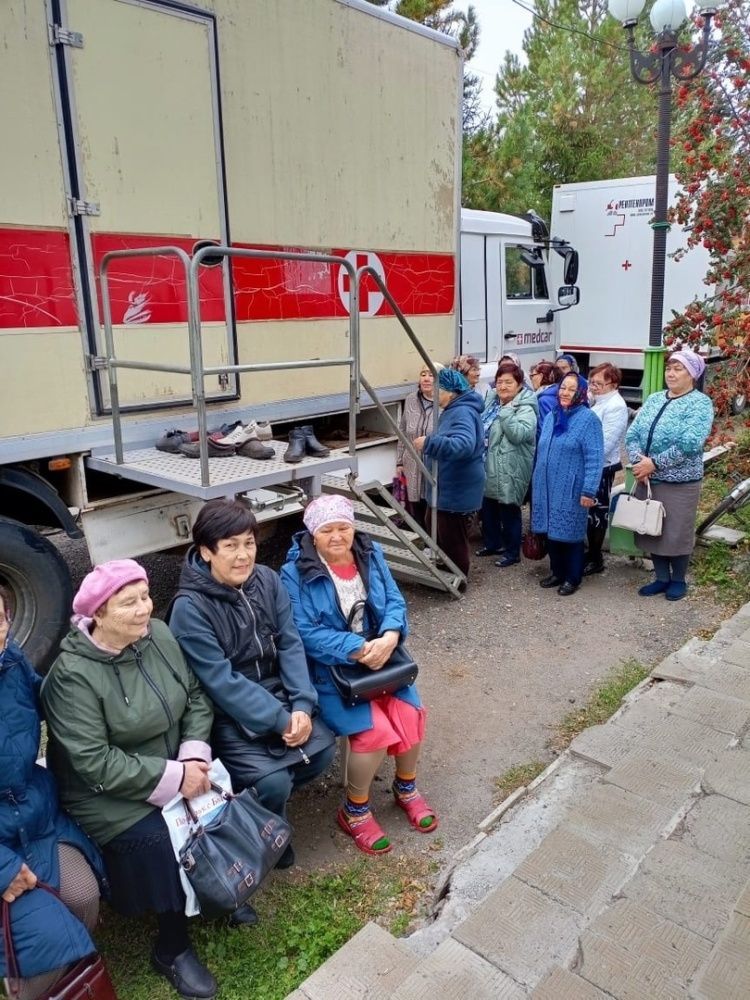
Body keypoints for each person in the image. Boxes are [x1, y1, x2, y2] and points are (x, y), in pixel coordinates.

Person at [41, 560, 218, 1000]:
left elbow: (195, 695)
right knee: (159, 840)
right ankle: (172, 946)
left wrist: (193, 754)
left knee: (213, 808)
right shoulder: (71, 675)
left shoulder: (157, 635)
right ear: (98, 614)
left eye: (145, 597)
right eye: (129, 602)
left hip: (174, 761)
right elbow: (93, 762)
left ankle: (217, 889)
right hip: (101, 793)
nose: (144, 609)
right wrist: (176, 777)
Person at [168, 499, 336, 881]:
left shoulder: (266, 580)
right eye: (230, 546)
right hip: (228, 712)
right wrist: (280, 721)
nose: (243, 556)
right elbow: (220, 680)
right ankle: (270, 831)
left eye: (249, 543)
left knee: (324, 751)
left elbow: (290, 642)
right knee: (272, 781)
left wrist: (302, 705)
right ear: (207, 551)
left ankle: (264, 814)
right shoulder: (189, 608)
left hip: (279, 694)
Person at [280, 494, 436, 856]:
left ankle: (406, 788)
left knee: (411, 714)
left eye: (344, 527)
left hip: (383, 659)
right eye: (328, 530)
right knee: (374, 733)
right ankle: (354, 811)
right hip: (333, 670)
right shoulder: (294, 573)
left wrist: (391, 635)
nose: (337, 536)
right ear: (313, 534)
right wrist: (356, 648)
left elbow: (395, 601)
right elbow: (302, 631)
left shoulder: (371, 554)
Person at [0, 586, 104, 1000]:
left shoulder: (11, 662)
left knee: (84, 898)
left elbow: (50, 699)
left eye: (0, 618)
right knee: (38, 950)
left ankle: (62, 969)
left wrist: (95, 687)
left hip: (34, 815)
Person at [625, 348, 714, 600]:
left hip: (680, 481)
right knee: (653, 529)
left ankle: (678, 579)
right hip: (648, 477)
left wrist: (655, 464)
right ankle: (661, 577)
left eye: (678, 369)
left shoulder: (699, 403)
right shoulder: (654, 399)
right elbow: (633, 434)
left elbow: (690, 443)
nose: (671, 374)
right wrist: (639, 463)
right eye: (669, 368)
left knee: (676, 531)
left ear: (692, 375)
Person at [532, 373, 604, 596]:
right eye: (563, 387)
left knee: (570, 535)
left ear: (580, 393)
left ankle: (572, 577)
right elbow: (542, 448)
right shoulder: (553, 414)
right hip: (545, 486)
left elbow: (595, 458)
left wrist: (588, 490)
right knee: (551, 532)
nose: (564, 392)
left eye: (571, 389)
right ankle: (556, 572)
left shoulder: (588, 419)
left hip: (570, 488)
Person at [413, 367, 485, 579]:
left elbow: (464, 444)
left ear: (450, 392)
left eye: (438, 389)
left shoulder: (461, 411)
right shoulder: (456, 409)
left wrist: (429, 443)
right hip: (449, 487)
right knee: (436, 526)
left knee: (452, 536)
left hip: (456, 489)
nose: (433, 393)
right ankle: (446, 573)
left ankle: (457, 579)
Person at [477, 362, 538, 565]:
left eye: (508, 382)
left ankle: (512, 553)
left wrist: (506, 412)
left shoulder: (526, 407)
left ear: (519, 384)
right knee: (488, 508)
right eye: (500, 382)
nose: (502, 386)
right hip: (488, 464)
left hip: (510, 467)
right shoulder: (491, 401)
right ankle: (492, 544)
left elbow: (519, 434)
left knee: (509, 510)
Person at [585, 363, 629, 575]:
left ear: (613, 384)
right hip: (587, 464)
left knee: (597, 513)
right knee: (587, 512)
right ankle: (589, 553)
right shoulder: (596, 399)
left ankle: (595, 557)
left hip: (602, 467)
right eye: (592, 382)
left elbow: (606, 443)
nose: (594, 387)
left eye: (599, 384)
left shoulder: (616, 406)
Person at [396, 364, 435, 530]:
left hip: (433, 463)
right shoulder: (411, 399)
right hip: (411, 462)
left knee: (432, 505)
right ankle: (420, 541)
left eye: (431, 374)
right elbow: (403, 432)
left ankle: (433, 544)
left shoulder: (445, 402)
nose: (426, 378)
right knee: (415, 504)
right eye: (423, 374)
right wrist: (399, 462)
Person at [530, 361, 561, 443]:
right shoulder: (559, 394)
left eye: (532, 375)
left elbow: (544, 430)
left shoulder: (543, 400)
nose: (531, 379)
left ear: (540, 376)